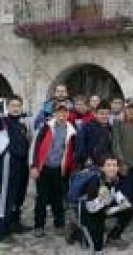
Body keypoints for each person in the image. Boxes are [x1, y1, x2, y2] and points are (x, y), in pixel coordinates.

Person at [29, 102, 77, 238]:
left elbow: (72, 151)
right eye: (59, 112)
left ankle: (59, 224)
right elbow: (36, 146)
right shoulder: (46, 127)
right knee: (41, 199)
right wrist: (34, 166)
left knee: (58, 199)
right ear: (54, 113)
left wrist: (71, 168)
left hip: (59, 170)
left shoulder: (71, 131)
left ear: (68, 114)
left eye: (65, 112)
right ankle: (39, 225)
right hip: (44, 168)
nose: (62, 114)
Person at [80, 154, 133, 253]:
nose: (112, 168)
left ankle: (113, 236)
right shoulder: (95, 181)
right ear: (102, 168)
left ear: (118, 167)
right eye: (108, 165)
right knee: (97, 247)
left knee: (129, 209)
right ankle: (77, 232)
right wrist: (101, 200)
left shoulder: (114, 178)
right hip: (91, 213)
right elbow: (90, 208)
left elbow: (117, 193)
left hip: (104, 209)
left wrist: (123, 202)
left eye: (114, 165)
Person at [0, 95, 31, 240]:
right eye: (13, 105)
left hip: (22, 163)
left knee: (19, 194)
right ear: (7, 106)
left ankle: (14, 221)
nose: (16, 108)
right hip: (8, 163)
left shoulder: (22, 123)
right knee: (6, 195)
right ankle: (2, 227)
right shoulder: (3, 122)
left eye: (18, 105)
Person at [75, 100, 112, 168]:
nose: (104, 116)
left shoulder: (110, 129)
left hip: (105, 166)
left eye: (107, 114)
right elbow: (80, 145)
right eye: (102, 113)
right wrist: (85, 158)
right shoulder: (87, 127)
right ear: (95, 114)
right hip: (89, 164)